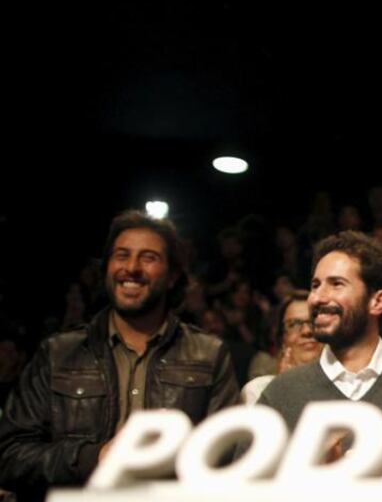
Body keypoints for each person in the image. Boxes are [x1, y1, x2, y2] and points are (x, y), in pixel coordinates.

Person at [0, 211, 238, 500]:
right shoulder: (58, 353)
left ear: (173, 275)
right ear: (107, 267)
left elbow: (229, 459)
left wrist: (166, 460)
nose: (132, 267)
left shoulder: (209, 354)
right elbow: (9, 455)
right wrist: (95, 457)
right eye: (122, 255)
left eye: (148, 257)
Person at [257, 231, 382, 431]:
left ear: (377, 301)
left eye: (336, 284)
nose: (317, 297)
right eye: (316, 285)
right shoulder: (280, 394)